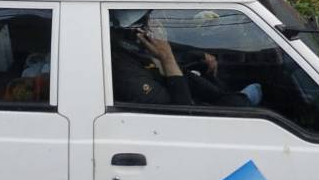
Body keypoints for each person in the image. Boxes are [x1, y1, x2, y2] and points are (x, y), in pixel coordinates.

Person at [109, 10, 263, 108]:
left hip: (200, 96)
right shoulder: (124, 70)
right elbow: (181, 111)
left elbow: (176, 54)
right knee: (244, 101)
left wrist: (199, 56)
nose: (154, 25)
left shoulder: (135, 48)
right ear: (133, 30)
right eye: (148, 21)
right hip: (191, 116)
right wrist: (166, 58)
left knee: (233, 97)